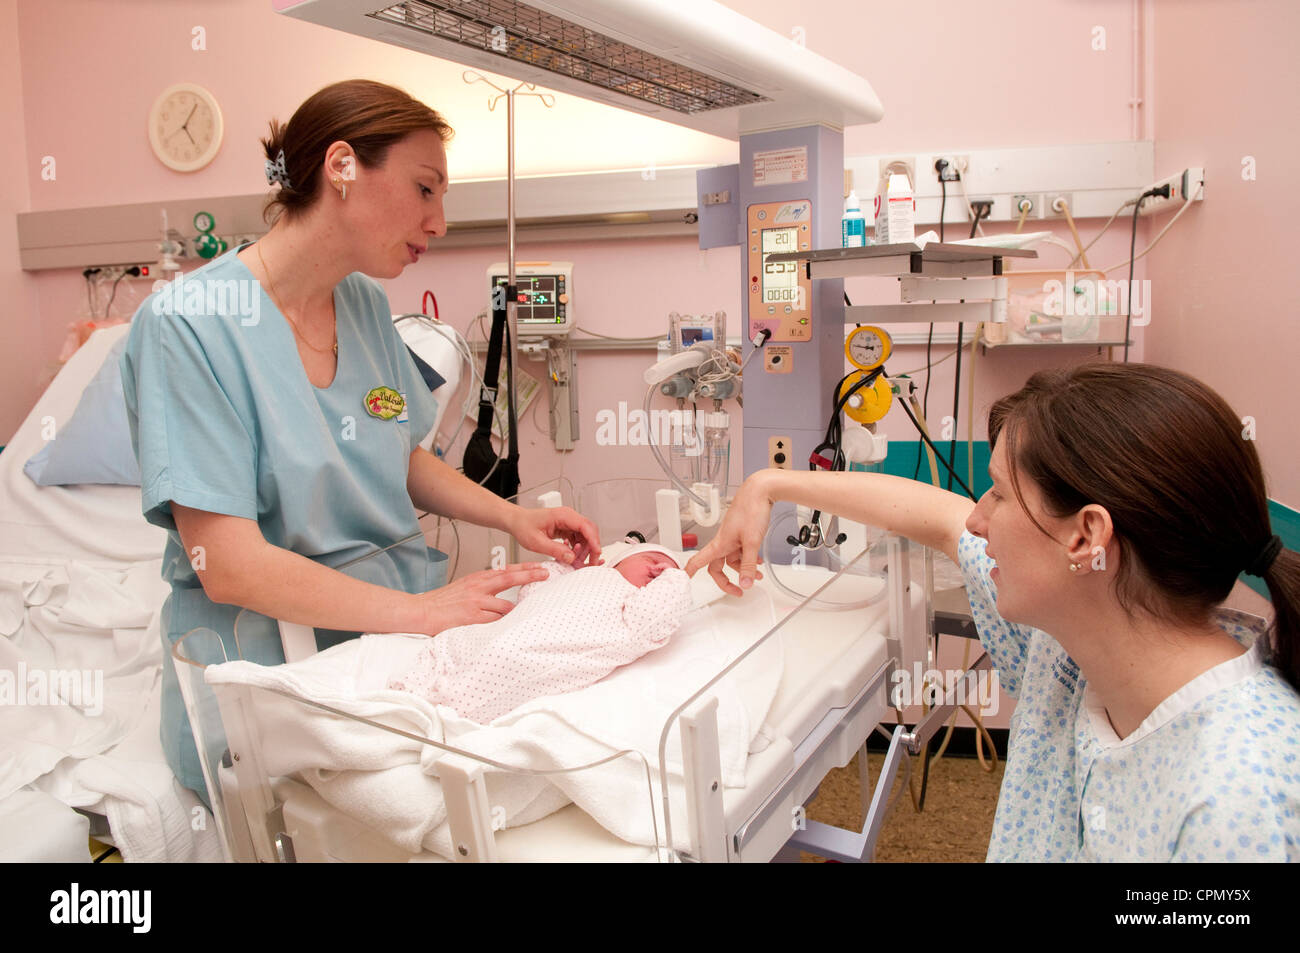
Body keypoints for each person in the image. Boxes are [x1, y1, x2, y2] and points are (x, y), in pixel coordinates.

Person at [121, 80, 601, 802]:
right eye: (425, 189)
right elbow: (231, 567)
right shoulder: (188, 326)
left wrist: (514, 518)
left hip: (394, 652)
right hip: (265, 680)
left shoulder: (365, 305)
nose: (439, 222)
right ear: (341, 167)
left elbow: (398, 454)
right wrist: (425, 612)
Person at [685, 363, 1300, 862]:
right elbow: (939, 519)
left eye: (1000, 494)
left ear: (1087, 537)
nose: (978, 519)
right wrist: (766, 485)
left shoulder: (1238, 801)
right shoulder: (1071, 652)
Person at [388, 543, 692, 723]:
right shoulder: (592, 576)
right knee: (459, 646)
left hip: (536, 655)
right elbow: (533, 590)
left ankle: (431, 720)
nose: (659, 571)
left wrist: (677, 578)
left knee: (496, 675)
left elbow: (656, 617)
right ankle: (402, 701)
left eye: (668, 571)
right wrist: (565, 566)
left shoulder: (633, 611)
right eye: (652, 561)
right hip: (499, 630)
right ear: (618, 562)